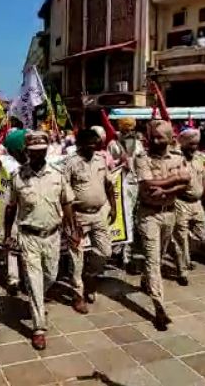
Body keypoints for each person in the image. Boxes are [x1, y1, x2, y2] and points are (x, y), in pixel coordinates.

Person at [5, 131, 77, 350]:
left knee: (50, 275)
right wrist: (8, 234)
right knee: (35, 281)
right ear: (27, 151)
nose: (37, 155)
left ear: (46, 151)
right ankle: (39, 328)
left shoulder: (57, 174)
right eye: (32, 152)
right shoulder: (18, 177)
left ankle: (36, 295)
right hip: (29, 236)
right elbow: (11, 208)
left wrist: (72, 229)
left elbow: (67, 203)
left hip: (53, 236)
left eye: (41, 151)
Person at [134, 120, 191, 330]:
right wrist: (175, 178)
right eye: (153, 136)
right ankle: (159, 307)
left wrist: (167, 190)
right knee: (152, 259)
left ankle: (145, 279)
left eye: (160, 137)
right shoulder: (142, 158)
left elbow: (186, 183)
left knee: (158, 255)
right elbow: (147, 184)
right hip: (148, 215)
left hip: (169, 213)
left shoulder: (177, 157)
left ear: (170, 139)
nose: (155, 141)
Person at [63, 129, 116, 314]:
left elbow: (109, 184)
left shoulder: (100, 160)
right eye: (90, 144)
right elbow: (65, 195)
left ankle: (90, 275)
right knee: (76, 256)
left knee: (105, 251)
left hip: (99, 214)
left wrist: (114, 207)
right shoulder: (70, 164)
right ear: (80, 145)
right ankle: (78, 295)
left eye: (96, 144)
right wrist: (69, 222)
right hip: (78, 215)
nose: (94, 147)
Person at [173, 127, 205, 284]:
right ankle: (183, 271)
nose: (194, 147)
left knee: (201, 233)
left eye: (196, 144)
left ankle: (184, 252)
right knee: (181, 238)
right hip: (181, 202)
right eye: (191, 144)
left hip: (197, 203)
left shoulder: (199, 159)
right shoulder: (175, 159)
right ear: (184, 144)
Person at [108, 117, 144, 274]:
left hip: (136, 185)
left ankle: (119, 252)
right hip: (121, 185)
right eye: (126, 129)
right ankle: (126, 259)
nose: (129, 132)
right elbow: (108, 166)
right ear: (121, 129)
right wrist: (119, 162)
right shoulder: (113, 145)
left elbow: (142, 163)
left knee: (133, 221)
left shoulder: (139, 144)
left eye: (131, 129)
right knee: (126, 220)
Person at [0, 129, 28, 296]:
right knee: (12, 243)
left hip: (31, 212)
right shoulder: (7, 164)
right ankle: (13, 279)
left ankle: (28, 277)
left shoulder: (36, 162)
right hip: (12, 210)